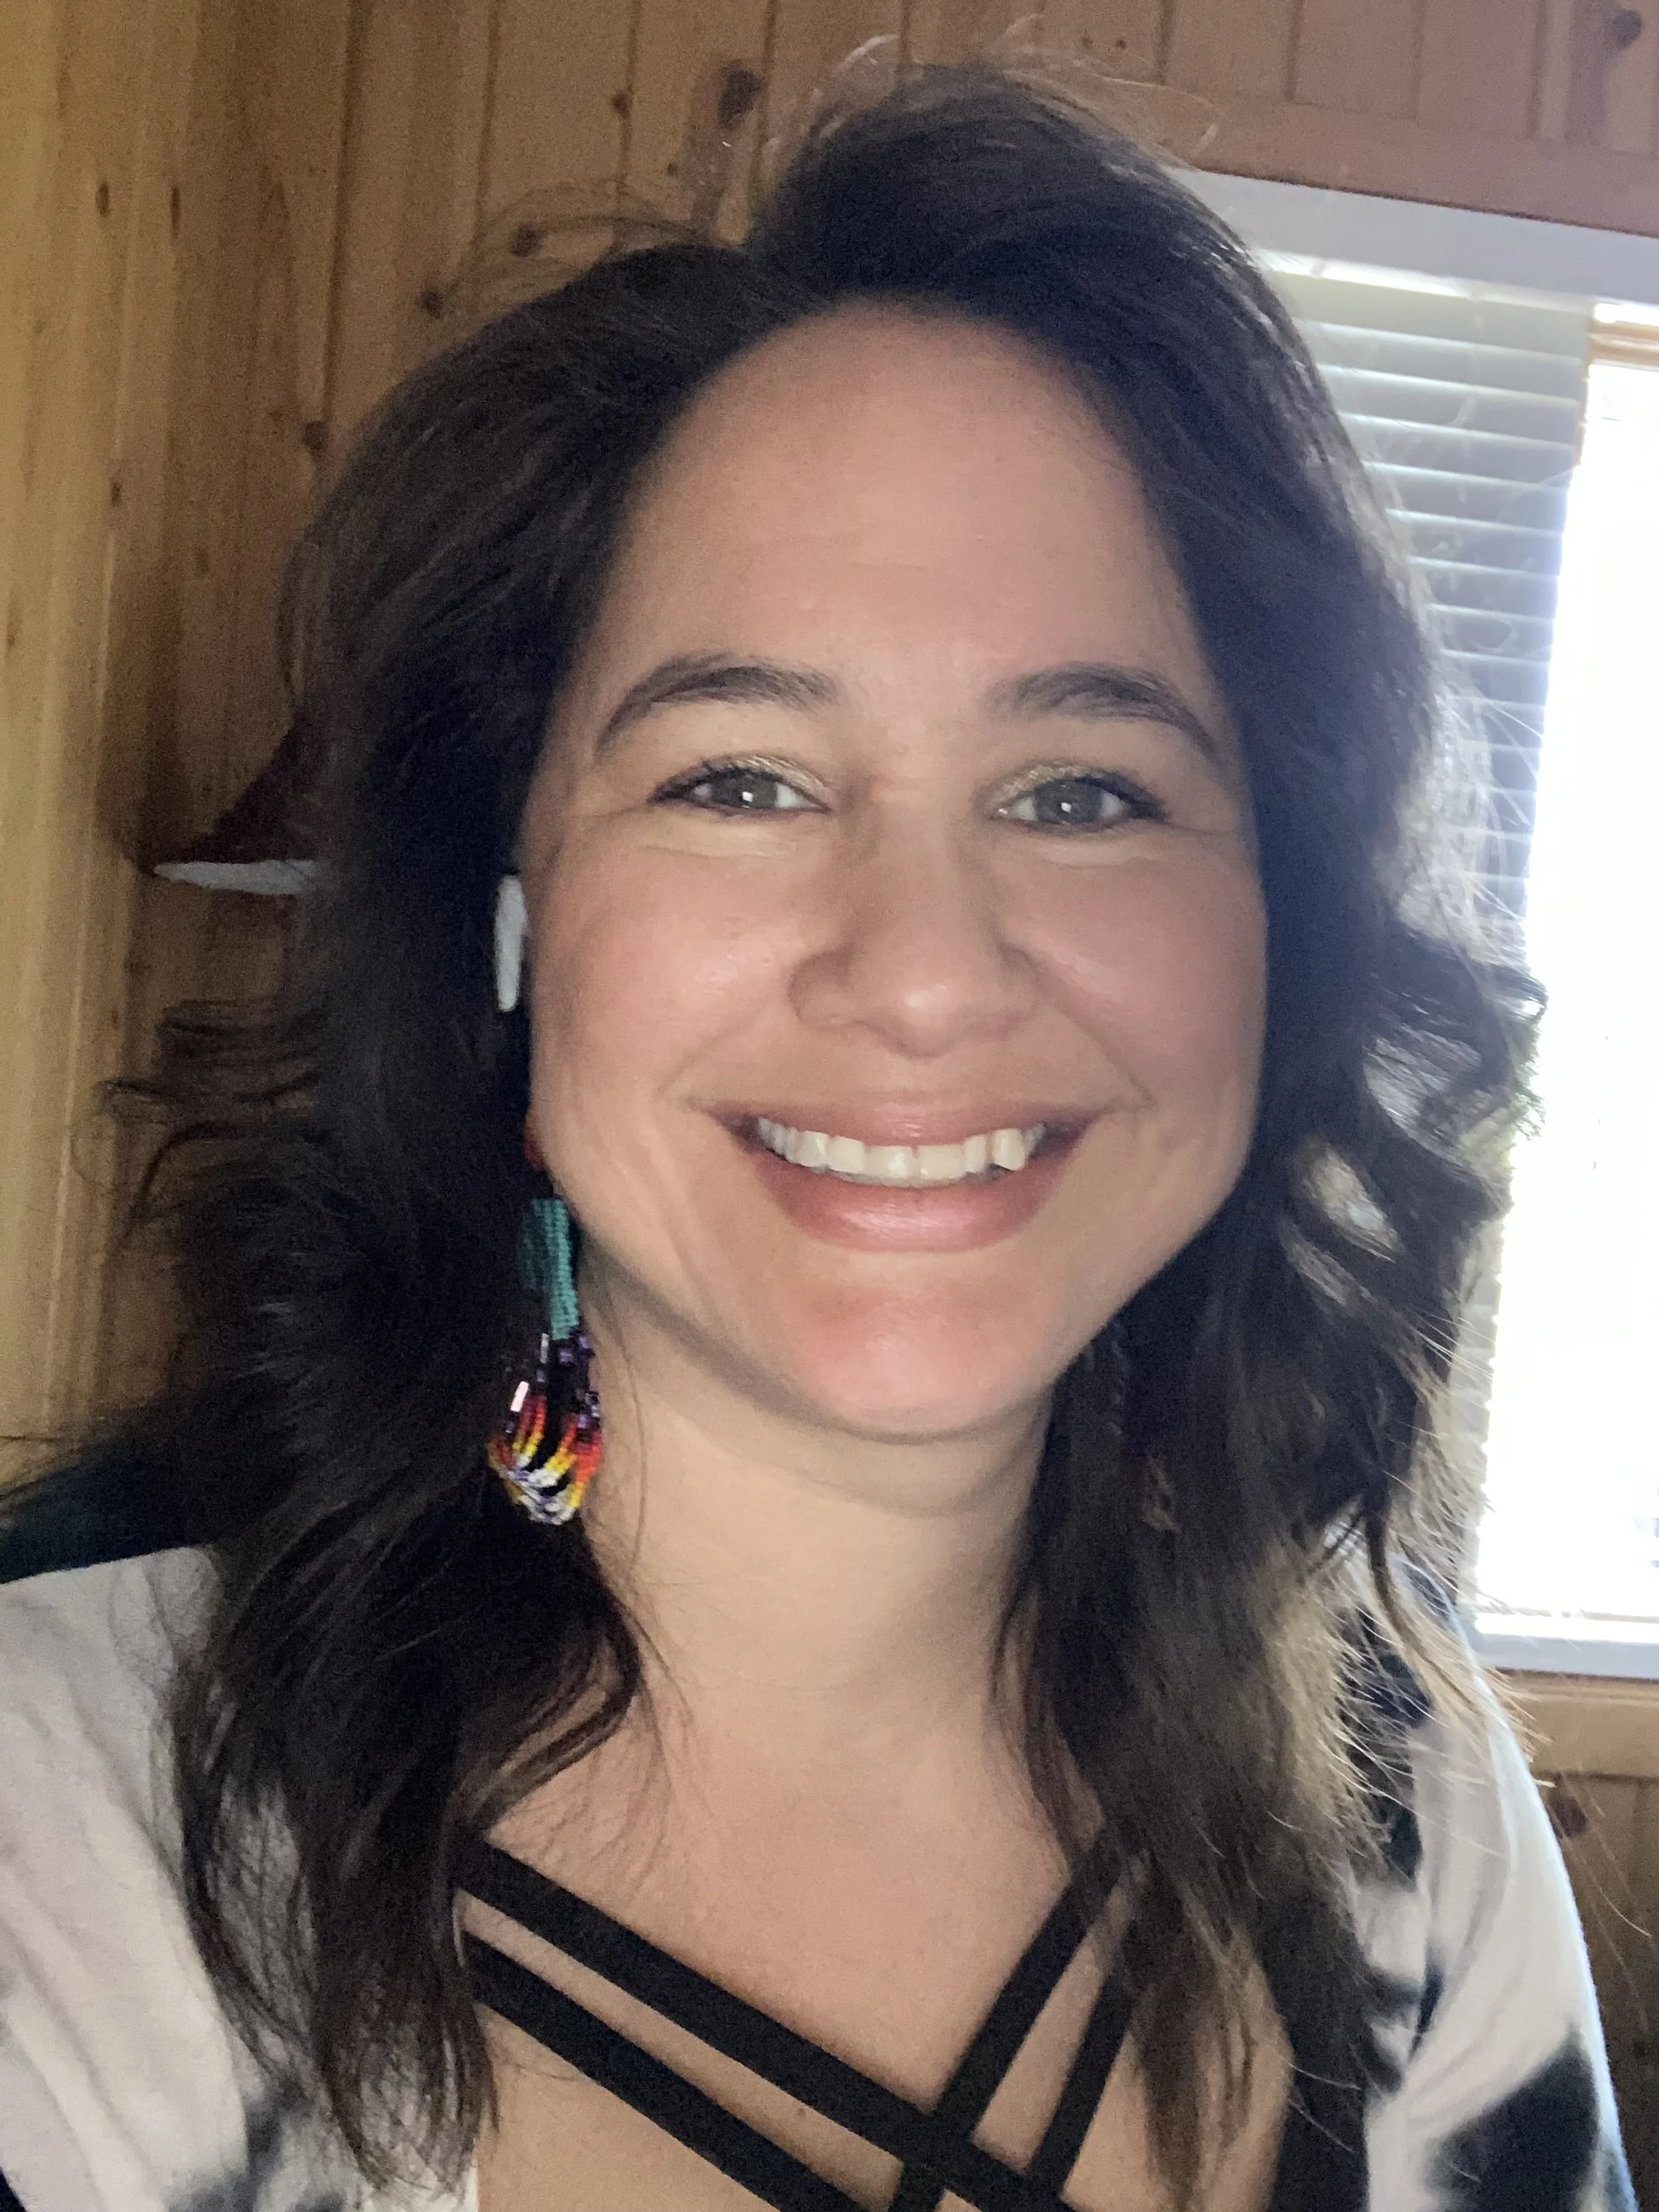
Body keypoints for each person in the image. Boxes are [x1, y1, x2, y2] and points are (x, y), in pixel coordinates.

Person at [0, 62, 1634, 2212]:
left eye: (1083, 791)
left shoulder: (1404, 1791)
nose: (924, 973)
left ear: (1277, 931)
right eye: (740, 778)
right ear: (506, 908)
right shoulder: (58, 1841)